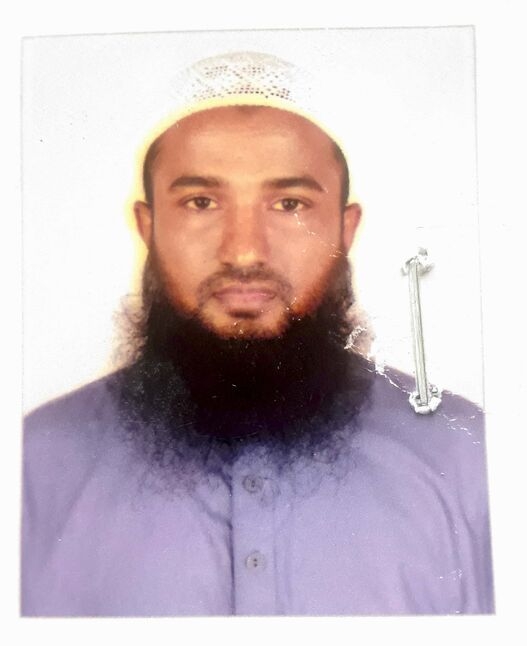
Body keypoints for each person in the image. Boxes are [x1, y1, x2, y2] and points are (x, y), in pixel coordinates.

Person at [21, 51, 494, 616]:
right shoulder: (33, 465)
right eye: (201, 202)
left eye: (289, 204)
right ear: (149, 227)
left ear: (344, 230)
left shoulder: (469, 459)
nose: (244, 251)